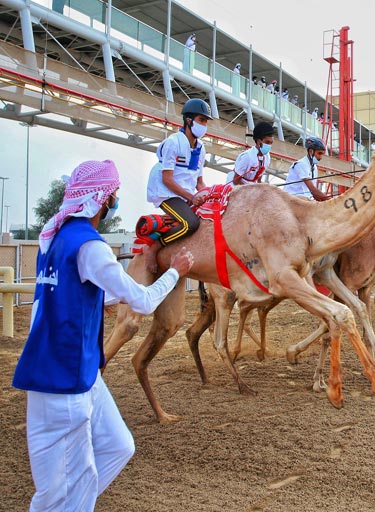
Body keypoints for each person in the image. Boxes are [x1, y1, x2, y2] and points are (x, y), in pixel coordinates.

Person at [12, 159, 194, 512]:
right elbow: (141, 301)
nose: (115, 201)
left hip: (78, 374)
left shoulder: (54, 240)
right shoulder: (90, 247)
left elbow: (70, 291)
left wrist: (103, 298)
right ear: (104, 198)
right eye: (114, 195)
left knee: (118, 447)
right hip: (64, 383)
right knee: (56, 492)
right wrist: (175, 272)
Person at [145, 98, 213, 272]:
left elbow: (199, 182)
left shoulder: (201, 148)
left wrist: (210, 195)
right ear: (189, 120)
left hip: (187, 193)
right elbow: (167, 179)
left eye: (206, 121)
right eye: (201, 120)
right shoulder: (173, 143)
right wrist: (191, 197)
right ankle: (153, 248)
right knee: (190, 223)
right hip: (166, 192)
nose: (204, 125)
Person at [227, 121, 275, 186]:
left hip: (251, 188)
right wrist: (252, 190)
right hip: (235, 187)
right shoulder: (247, 157)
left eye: (271, 143)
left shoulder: (267, 157)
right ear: (258, 141)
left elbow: (258, 180)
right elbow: (236, 180)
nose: (269, 145)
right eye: (267, 142)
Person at [283, 136, 329, 201]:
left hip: (304, 200)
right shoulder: (301, 164)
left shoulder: (314, 167)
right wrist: (330, 201)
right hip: (292, 200)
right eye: (319, 153)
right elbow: (312, 189)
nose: (320, 157)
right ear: (311, 151)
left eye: (322, 154)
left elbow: (314, 193)